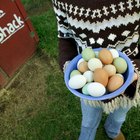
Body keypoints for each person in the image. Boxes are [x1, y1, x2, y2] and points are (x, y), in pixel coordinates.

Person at [52, 0, 140, 139]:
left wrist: (135, 68)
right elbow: (65, 35)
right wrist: (69, 65)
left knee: (119, 117)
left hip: (127, 77)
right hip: (88, 79)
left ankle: (112, 130)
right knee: (88, 121)